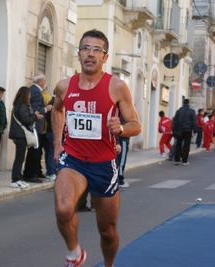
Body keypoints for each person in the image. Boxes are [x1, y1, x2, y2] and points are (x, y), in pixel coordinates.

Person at [52, 29, 141, 267]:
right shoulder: (64, 86)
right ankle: (74, 253)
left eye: (96, 50)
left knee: (107, 231)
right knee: (63, 209)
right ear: (78, 54)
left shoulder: (117, 87)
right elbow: (56, 109)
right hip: (74, 159)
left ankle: (109, 264)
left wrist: (120, 129)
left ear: (105, 57)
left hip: (104, 163)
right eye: (85, 48)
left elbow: (136, 125)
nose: (90, 54)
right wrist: (57, 144)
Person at [8, 86, 43, 189]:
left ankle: (18, 178)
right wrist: (35, 116)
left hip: (18, 134)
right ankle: (15, 179)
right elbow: (26, 120)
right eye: (29, 94)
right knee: (19, 158)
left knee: (20, 157)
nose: (30, 96)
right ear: (26, 95)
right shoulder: (23, 106)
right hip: (20, 135)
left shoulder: (17, 105)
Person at [23, 73, 52, 183]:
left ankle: (31, 173)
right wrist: (46, 109)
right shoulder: (36, 91)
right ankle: (30, 175)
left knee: (34, 151)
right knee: (34, 151)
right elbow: (35, 109)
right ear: (40, 81)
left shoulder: (32, 90)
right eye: (44, 80)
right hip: (35, 125)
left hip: (34, 125)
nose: (45, 83)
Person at [173, 99, 197, 166]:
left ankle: (176, 160)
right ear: (189, 103)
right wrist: (195, 130)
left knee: (178, 144)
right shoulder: (192, 111)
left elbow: (175, 121)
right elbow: (194, 122)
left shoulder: (178, 111)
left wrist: (176, 129)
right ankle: (184, 161)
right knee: (186, 145)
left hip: (180, 130)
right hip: (188, 130)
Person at [45, 92, 57, 181]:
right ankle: (51, 172)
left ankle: (53, 172)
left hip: (51, 131)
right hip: (53, 131)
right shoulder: (54, 103)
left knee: (52, 152)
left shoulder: (51, 102)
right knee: (52, 152)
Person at [117, 117, 130, 188]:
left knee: (119, 160)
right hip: (123, 139)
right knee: (121, 160)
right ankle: (120, 180)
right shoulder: (123, 115)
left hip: (121, 139)